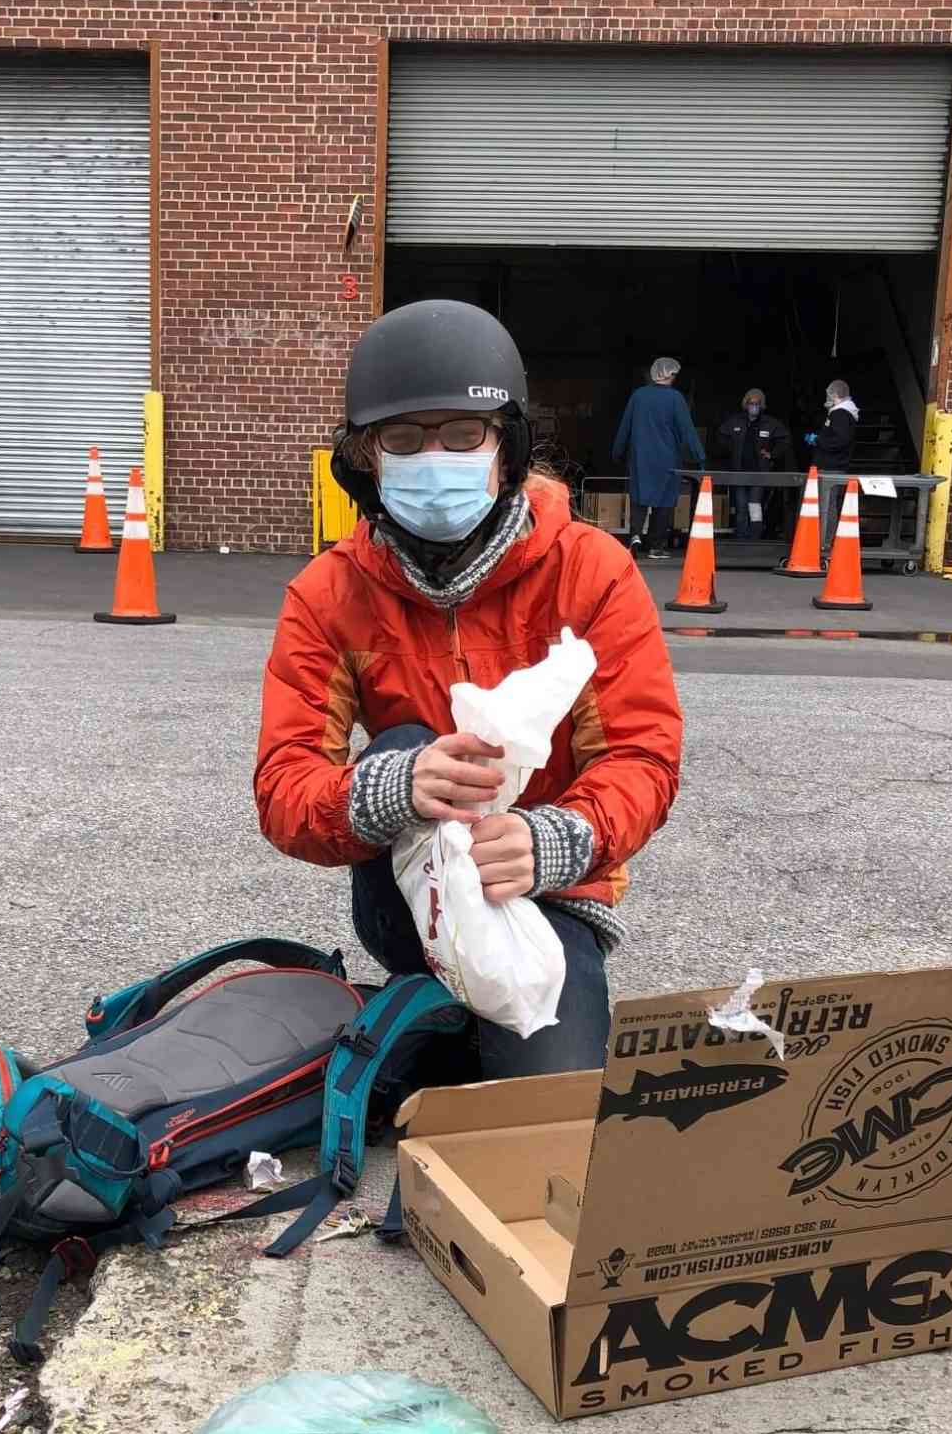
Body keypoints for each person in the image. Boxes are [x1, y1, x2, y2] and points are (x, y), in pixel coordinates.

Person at [255, 300, 683, 1080]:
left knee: (549, 1113)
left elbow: (643, 757)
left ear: (506, 448)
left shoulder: (591, 572)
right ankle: (430, 988)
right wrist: (396, 789)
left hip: (548, 890)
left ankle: (448, 1027)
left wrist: (554, 840)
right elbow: (283, 789)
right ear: (366, 459)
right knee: (404, 746)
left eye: (462, 435)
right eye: (403, 439)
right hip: (409, 900)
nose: (433, 458)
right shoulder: (328, 592)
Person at [612, 357, 706, 560]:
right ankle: (656, 546)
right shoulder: (676, 398)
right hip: (667, 459)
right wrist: (700, 457)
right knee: (663, 502)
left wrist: (617, 451)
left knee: (639, 498)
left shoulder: (638, 396)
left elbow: (625, 427)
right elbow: (687, 431)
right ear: (670, 375)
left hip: (640, 458)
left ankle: (635, 536)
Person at [717, 387, 791, 541]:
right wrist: (732, 450)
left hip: (759, 473)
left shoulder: (770, 423)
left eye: (757, 403)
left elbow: (785, 439)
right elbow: (721, 435)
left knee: (754, 505)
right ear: (746, 404)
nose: (754, 406)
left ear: (762, 405)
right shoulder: (735, 421)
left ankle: (755, 537)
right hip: (739, 473)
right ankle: (741, 538)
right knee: (741, 506)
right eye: (751, 403)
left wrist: (772, 454)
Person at [803, 377, 860, 553]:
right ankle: (824, 541)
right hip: (834, 465)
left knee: (827, 507)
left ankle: (824, 543)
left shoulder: (839, 414)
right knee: (828, 505)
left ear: (835, 394)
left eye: (829, 394)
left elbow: (840, 440)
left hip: (831, 466)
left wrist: (818, 440)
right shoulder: (843, 413)